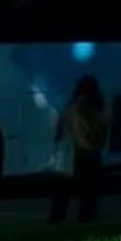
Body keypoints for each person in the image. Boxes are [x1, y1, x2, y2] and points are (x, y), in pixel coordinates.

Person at [47, 76, 106, 224]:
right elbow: (99, 137)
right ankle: (85, 221)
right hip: (91, 156)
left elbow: (58, 134)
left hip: (71, 156)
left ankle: (57, 220)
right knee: (89, 195)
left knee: (63, 192)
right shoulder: (98, 109)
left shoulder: (70, 108)